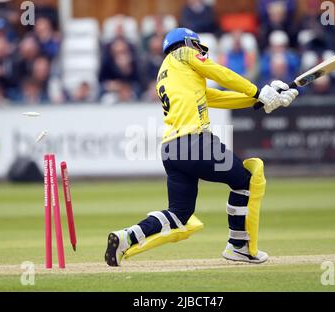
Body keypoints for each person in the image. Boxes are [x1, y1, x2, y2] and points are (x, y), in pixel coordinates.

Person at [105, 28, 299, 266]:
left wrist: (262, 99)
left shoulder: (168, 73)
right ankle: (239, 246)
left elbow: (216, 97)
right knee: (246, 181)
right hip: (194, 142)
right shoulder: (183, 54)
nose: (199, 52)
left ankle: (126, 237)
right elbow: (221, 73)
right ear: (186, 43)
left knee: (179, 214)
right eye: (197, 46)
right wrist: (258, 91)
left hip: (171, 149)